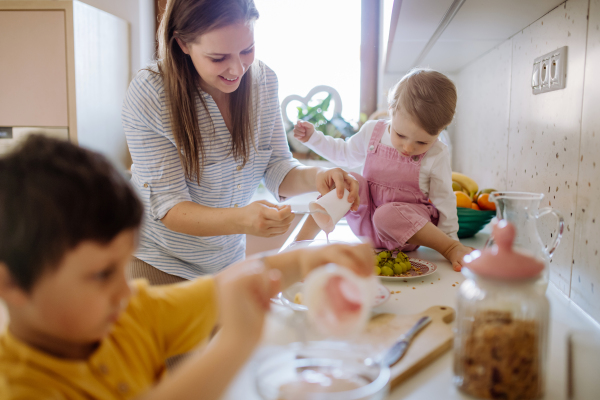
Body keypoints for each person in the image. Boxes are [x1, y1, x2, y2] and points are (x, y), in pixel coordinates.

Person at [0, 135, 373, 400]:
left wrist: (309, 260)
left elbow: (223, 290)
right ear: (11, 283)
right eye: (101, 275)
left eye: (121, 267)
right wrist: (234, 344)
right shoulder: (18, 387)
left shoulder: (131, 314)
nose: (124, 290)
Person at [122, 0, 359, 283]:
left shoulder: (264, 81)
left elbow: (276, 166)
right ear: (183, 44)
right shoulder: (151, 93)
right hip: (160, 263)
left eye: (247, 50)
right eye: (218, 57)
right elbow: (170, 206)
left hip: (227, 263)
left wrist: (320, 176)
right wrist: (243, 219)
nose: (237, 69)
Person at [294, 68, 472, 271]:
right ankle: (298, 245)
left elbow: (444, 200)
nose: (407, 148)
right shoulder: (372, 132)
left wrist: (452, 244)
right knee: (350, 180)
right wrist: (313, 138)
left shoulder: (437, 153)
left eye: (421, 142)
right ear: (391, 110)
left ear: (440, 131)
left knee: (386, 214)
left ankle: (448, 248)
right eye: (400, 135)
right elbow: (344, 153)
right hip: (366, 225)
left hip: (405, 231)